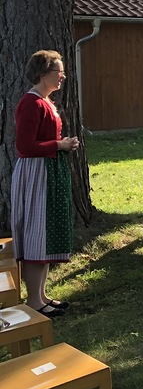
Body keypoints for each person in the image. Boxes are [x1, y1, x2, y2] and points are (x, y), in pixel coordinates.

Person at [11, 50, 79, 315]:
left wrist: (62, 145)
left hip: (48, 171)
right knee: (37, 235)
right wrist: (59, 145)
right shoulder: (32, 103)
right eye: (58, 71)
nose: (62, 76)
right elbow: (25, 146)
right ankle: (33, 301)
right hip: (36, 174)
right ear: (42, 73)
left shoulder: (46, 101)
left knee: (46, 234)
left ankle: (40, 295)